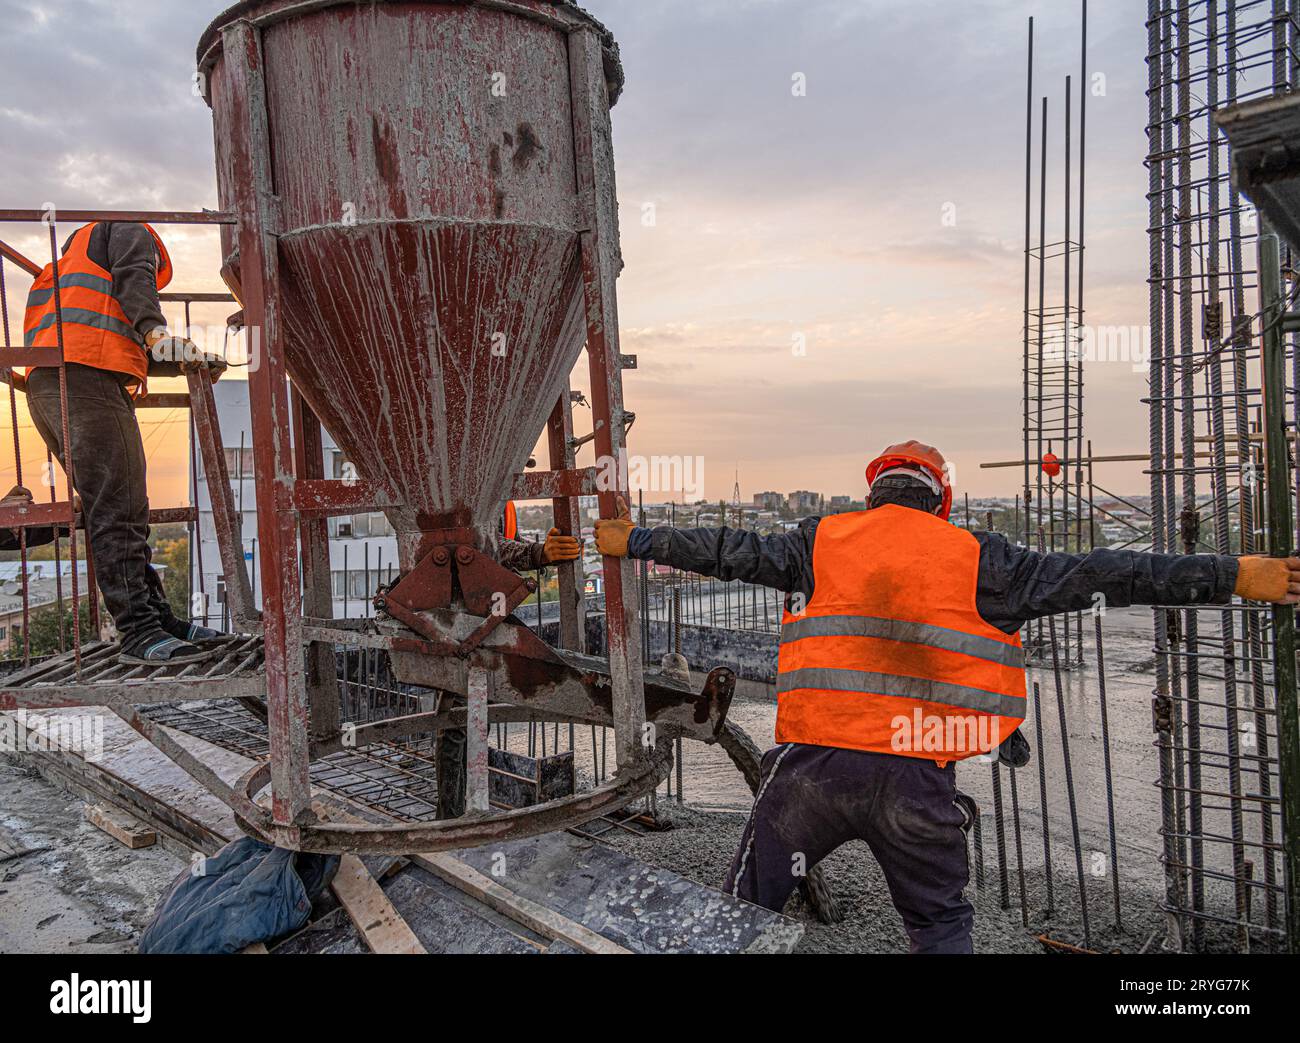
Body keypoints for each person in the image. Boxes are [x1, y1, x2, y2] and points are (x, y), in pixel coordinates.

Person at [594, 439, 1300, 952]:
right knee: (938, 924)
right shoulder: (984, 559)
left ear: (873, 494)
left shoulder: (823, 541)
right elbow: (1105, 571)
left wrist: (635, 538)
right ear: (942, 501)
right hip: (916, 781)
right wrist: (1233, 573)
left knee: (742, 910)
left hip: (812, 774)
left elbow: (726, 549)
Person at [22, 221, 226, 663]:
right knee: (118, 509)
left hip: (56, 384)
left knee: (123, 506)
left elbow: (106, 338)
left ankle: (155, 617)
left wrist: (180, 357)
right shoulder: (132, 233)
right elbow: (136, 276)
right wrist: (154, 329)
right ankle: (138, 631)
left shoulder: (67, 272)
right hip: (85, 384)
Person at [434, 506, 583, 817]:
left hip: (485, 615)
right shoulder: (474, 489)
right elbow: (482, 548)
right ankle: (450, 816)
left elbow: (503, 541)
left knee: (474, 714)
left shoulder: (499, 493)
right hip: (461, 617)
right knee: (458, 719)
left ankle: (457, 810)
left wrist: (542, 551)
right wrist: (537, 553)